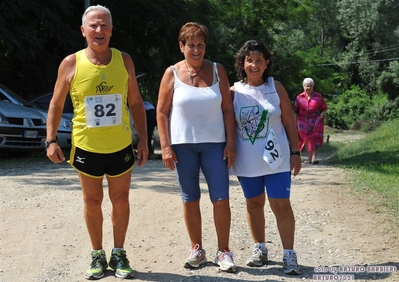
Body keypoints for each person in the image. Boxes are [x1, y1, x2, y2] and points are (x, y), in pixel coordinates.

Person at [45, 5, 148, 280]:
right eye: (93, 26)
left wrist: (144, 140)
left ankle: (119, 252)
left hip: (120, 145)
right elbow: (56, 103)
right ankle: (97, 254)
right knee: (92, 201)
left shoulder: (124, 60)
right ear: (83, 30)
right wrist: (51, 140)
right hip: (86, 147)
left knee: (121, 200)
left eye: (104, 25)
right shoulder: (71, 63)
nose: (99, 30)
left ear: (112, 30)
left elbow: (136, 102)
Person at [156, 22, 237, 273]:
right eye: (191, 44)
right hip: (183, 145)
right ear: (181, 47)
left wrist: (231, 143)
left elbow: (227, 108)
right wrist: (166, 147)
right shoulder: (171, 73)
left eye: (200, 44)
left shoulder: (217, 70)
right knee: (190, 199)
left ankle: (224, 251)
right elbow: (161, 111)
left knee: (221, 198)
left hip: (215, 143)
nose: (196, 49)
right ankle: (197, 249)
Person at [229, 40, 302, 275]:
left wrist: (295, 152)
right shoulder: (234, 91)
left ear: (266, 63)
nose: (254, 64)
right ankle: (259, 248)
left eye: (259, 60)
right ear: (243, 62)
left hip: (277, 159)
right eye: (249, 59)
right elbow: (227, 124)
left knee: (281, 205)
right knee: (254, 204)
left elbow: (289, 121)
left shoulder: (275, 87)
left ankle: (289, 254)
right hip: (247, 162)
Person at [293, 78, 328, 164]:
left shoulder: (318, 97)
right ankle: (309, 159)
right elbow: (295, 110)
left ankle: (314, 157)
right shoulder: (299, 97)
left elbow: (324, 108)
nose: (308, 88)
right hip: (302, 122)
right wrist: (294, 121)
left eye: (310, 86)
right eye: (307, 86)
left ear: (313, 87)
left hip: (315, 121)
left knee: (315, 138)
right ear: (303, 86)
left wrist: (320, 116)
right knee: (306, 139)